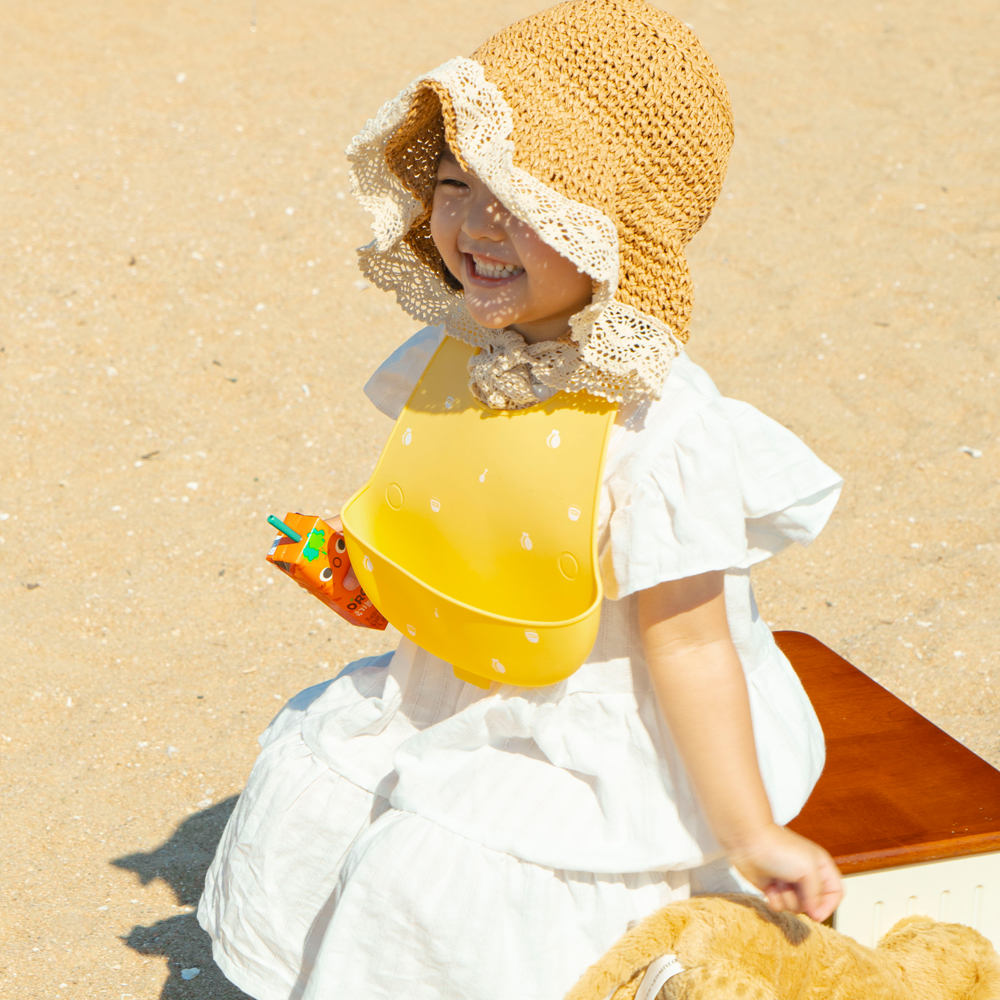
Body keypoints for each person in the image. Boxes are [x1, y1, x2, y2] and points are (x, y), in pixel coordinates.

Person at [198, 2, 845, 998]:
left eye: (525, 199)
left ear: (616, 225)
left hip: (596, 719)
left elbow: (687, 642)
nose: (474, 227)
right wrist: (380, 577)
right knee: (326, 793)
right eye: (456, 186)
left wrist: (750, 832)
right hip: (455, 675)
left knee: (458, 883)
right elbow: (455, 495)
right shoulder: (458, 347)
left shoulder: (658, 429)